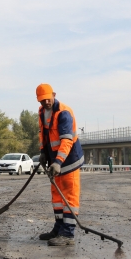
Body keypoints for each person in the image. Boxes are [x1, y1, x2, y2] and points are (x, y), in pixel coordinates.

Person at [36, 83, 84, 247]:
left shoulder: (64, 112)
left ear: (54, 95)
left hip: (68, 160)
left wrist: (58, 162)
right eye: (42, 101)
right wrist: (43, 151)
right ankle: (58, 228)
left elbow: (66, 140)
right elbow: (44, 133)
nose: (46, 103)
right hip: (54, 161)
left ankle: (68, 234)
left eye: (47, 100)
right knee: (57, 197)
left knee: (69, 196)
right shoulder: (42, 111)